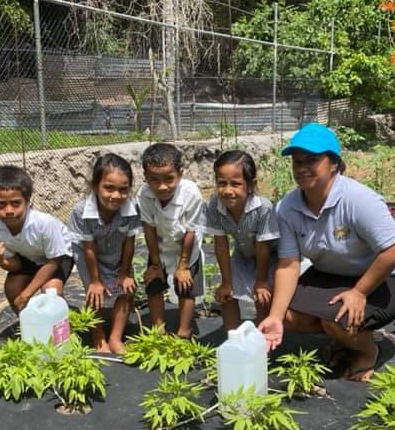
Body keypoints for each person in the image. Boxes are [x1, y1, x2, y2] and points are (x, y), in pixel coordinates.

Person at [257, 123, 395, 382]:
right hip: (332, 274)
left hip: (387, 277)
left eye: (311, 160)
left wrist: (359, 292)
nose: (301, 168)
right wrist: (274, 317)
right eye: (297, 162)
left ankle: (367, 351)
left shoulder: (357, 200)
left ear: (333, 163)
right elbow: (288, 264)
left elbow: (394, 249)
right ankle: (343, 339)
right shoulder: (288, 208)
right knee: (287, 315)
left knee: (336, 318)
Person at [68, 153, 141, 353]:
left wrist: (124, 273)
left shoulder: (132, 208)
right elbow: (88, 247)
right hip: (88, 253)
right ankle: (98, 334)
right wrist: (96, 280)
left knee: (126, 290)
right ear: (95, 186)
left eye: (123, 190)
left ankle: (116, 337)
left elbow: (129, 243)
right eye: (109, 188)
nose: (116, 195)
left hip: (117, 250)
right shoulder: (81, 211)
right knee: (95, 293)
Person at [205, 149, 279, 331]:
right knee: (227, 295)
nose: (227, 190)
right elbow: (221, 245)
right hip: (243, 253)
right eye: (221, 183)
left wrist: (261, 282)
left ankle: (263, 345)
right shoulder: (214, 205)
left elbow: (263, 248)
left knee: (262, 297)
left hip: (271, 256)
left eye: (236, 184)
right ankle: (233, 339)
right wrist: (226, 281)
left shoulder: (263, 209)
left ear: (251, 185)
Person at [137, 142, 205, 338]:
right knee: (153, 284)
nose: (162, 186)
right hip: (159, 243)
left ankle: (184, 330)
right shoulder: (144, 195)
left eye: (169, 179)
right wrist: (156, 264)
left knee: (186, 287)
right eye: (154, 180)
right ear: (145, 177)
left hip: (187, 246)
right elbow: (148, 229)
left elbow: (190, 231)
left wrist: (183, 266)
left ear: (180, 173)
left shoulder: (191, 193)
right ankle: (159, 330)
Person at [0, 164, 74, 312]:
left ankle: (61, 329)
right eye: (1, 204)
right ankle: (28, 328)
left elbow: (53, 262)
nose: (9, 211)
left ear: (27, 201)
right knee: (12, 288)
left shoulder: (44, 223)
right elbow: (17, 265)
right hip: (29, 256)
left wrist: (26, 295)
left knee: (52, 293)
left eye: (15, 203)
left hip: (58, 257)